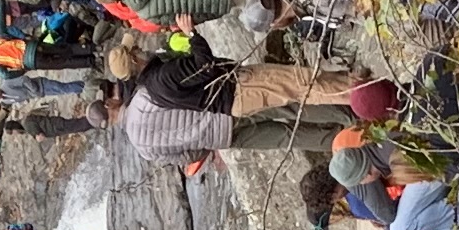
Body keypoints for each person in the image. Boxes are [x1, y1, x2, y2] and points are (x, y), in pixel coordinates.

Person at [106, 54, 376, 163]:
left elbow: (188, 157)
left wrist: (207, 140)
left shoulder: (144, 150)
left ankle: (350, 142)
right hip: (226, 105)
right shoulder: (146, 95)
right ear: (114, 102)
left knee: (287, 137)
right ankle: (352, 111)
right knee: (290, 106)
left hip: (222, 137)